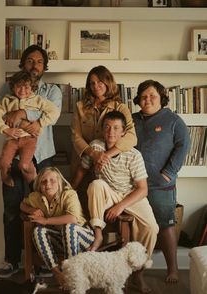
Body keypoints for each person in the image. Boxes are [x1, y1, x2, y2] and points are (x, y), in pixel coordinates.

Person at [73, 111, 159, 293]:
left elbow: (142, 188)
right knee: (95, 184)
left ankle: (138, 274)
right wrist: (71, 189)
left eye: (116, 128)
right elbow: (82, 169)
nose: (111, 131)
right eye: (107, 127)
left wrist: (121, 206)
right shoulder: (96, 146)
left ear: (123, 133)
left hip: (130, 194)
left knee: (152, 228)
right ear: (102, 130)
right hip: (107, 192)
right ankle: (98, 234)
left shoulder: (133, 154)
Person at [0, 45, 62, 278]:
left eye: (39, 62)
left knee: (43, 209)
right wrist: (29, 120)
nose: (35, 65)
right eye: (30, 61)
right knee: (12, 209)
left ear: (45, 67)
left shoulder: (52, 91)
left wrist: (22, 114)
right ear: (23, 64)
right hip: (14, 157)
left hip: (42, 158)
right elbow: (2, 115)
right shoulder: (7, 87)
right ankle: (12, 261)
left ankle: (44, 262)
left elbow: (52, 116)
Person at [132, 80, 190, 283]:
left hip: (161, 185)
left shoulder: (173, 120)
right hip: (134, 186)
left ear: (161, 98)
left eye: (152, 96)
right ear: (138, 99)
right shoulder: (132, 120)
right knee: (135, 227)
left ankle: (172, 269)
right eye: (143, 96)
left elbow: (183, 145)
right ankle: (134, 273)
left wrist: (169, 172)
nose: (147, 99)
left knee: (165, 226)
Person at [71, 65, 137, 216]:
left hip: (109, 167)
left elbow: (132, 137)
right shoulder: (80, 107)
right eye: (92, 83)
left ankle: (102, 236)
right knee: (81, 207)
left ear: (109, 83)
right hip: (83, 163)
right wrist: (94, 154)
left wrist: (106, 155)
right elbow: (76, 136)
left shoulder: (120, 107)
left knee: (104, 209)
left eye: (100, 82)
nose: (96, 86)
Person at [20, 167, 94, 289]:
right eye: (44, 181)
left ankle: (72, 275)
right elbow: (22, 204)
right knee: (38, 231)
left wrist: (46, 220)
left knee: (69, 228)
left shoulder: (69, 194)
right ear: (39, 184)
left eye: (52, 180)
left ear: (59, 183)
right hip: (61, 239)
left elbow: (72, 219)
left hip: (83, 237)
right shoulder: (36, 197)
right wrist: (32, 210)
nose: (48, 184)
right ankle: (58, 274)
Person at [0, 71, 60, 187]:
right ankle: (5, 176)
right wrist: (6, 129)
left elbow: (54, 112)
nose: (22, 91)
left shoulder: (38, 100)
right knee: (4, 162)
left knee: (24, 165)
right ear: (12, 87)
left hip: (29, 139)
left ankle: (34, 182)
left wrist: (40, 122)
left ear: (32, 87)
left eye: (26, 87)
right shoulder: (7, 101)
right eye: (18, 87)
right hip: (12, 139)